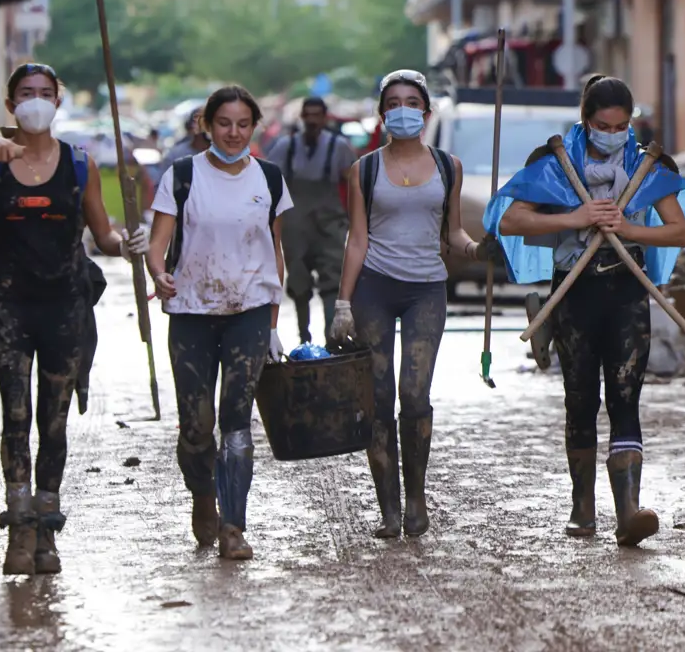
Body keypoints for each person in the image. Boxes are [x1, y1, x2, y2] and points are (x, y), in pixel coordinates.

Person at [0, 63, 144, 575]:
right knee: (15, 417)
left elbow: (103, 235)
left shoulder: (80, 165)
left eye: (45, 94)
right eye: (26, 94)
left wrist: (128, 244)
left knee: (53, 422)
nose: (36, 101)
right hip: (9, 307)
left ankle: (47, 529)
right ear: (11, 105)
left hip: (64, 307)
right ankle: (19, 528)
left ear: (59, 101)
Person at [491, 74, 685, 547]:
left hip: (627, 292)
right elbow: (511, 219)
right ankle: (583, 506)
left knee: (626, 397)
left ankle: (628, 514)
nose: (613, 134)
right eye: (603, 125)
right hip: (574, 292)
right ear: (586, 121)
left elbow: (680, 232)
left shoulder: (647, 168)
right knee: (580, 400)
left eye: (622, 125)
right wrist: (576, 218)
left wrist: (627, 228)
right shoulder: (556, 165)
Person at [327, 70, 500, 539]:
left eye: (412, 102)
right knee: (378, 398)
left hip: (427, 288)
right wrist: (343, 303)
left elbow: (454, 233)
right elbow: (357, 239)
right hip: (375, 289)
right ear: (383, 113)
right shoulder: (363, 169)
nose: (403, 109)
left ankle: (417, 497)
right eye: (394, 102)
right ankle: (388, 509)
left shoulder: (449, 166)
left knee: (414, 395)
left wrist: (477, 250)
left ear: (425, 112)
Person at [137, 85, 291, 561]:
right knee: (196, 426)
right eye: (224, 123)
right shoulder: (182, 175)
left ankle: (233, 526)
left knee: (237, 423)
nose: (233, 133)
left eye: (243, 124)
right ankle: (203, 495)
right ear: (207, 125)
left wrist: (272, 321)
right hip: (191, 314)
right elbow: (158, 245)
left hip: (247, 313)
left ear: (254, 126)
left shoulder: (269, 177)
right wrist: (159, 275)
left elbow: (276, 252)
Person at [266, 97, 358, 344]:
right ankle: (303, 335)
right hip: (296, 224)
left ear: (325, 117)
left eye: (318, 115)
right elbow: (270, 182)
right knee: (298, 281)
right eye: (308, 115)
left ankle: (332, 337)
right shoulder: (286, 147)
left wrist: (353, 218)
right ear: (302, 118)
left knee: (332, 279)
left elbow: (352, 181)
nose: (313, 121)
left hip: (329, 223)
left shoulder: (338, 146)